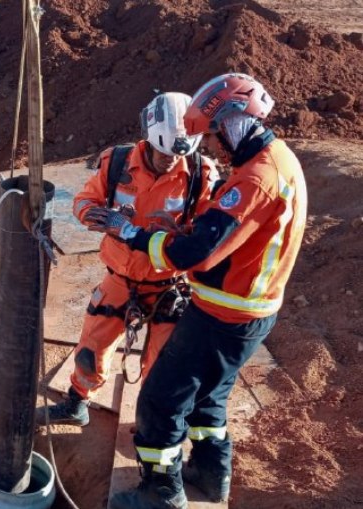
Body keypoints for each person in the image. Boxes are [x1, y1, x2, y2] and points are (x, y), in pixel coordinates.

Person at [100, 74, 308, 509]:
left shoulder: (255, 180)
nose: (211, 147)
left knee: (161, 399)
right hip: (248, 310)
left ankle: (161, 492)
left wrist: (134, 234)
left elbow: (193, 254)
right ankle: (213, 475)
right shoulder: (279, 158)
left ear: (236, 122)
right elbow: (231, 234)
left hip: (223, 315)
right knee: (209, 396)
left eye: (213, 135)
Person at [43, 92, 217, 427]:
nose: (169, 160)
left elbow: (208, 233)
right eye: (162, 151)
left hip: (169, 285)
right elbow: (84, 199)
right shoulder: (118, 163)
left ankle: (151, 427)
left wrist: (181, 235)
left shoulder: (200, 174)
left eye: (175, 154)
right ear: (149, 138)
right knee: (90, 350)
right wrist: (94, 215)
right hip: (121, 279)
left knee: (162, 366)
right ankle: (77, 401)